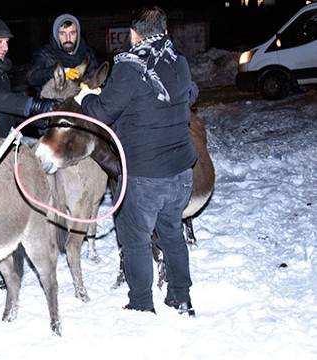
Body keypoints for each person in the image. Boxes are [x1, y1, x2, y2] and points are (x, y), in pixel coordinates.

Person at [74, 6, 198, 316]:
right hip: (181, 172)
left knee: (136, 241)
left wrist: (86, 97)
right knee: (172, 233)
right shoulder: (179, 62)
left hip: (145, 176)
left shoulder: (131, 67)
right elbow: (188, 95)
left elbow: (102, 112)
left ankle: (142, 303)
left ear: (133, 35)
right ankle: (180, 297)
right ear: (165, 32)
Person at [27, 13, 104, 96]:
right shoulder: (44, 54)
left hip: (79, 102)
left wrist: (91, 86)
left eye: (72, 33)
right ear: (56, 34)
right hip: (51, 103)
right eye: (62, 33)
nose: (68, 38)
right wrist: (55, 72)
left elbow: (93, 76)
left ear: (78, 34)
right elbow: (32, 77)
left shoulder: (87, 54)